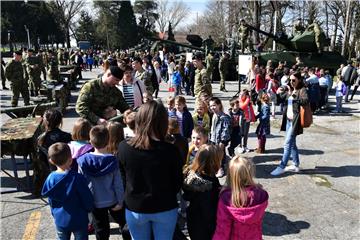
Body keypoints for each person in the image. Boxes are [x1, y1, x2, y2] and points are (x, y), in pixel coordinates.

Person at [117, 101, 183, 240]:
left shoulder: (123, 148)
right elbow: (177, 184)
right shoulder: (171, 151)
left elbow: (123, 180)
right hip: (165, 207)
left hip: (135, 207)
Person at [77, 125, 125, 240]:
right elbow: (118, 183)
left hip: (94, 201)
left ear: (91, 141)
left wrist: (84, 202)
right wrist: (120, 201)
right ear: (108, 140)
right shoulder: (112, 161)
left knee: (100, 229)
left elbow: (81, 184)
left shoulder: (83, 160)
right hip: (113, 199)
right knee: (124, 223)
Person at [42, 143, 94, 240]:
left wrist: (54, 213)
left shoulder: (50, 178)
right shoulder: (77, 178)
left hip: (60, 219)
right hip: (79, 219)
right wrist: (89, 208)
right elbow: (87, 198)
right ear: (70, 160)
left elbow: (51, 200)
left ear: (51, 161)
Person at [213, 156, 269, 240]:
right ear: (250, 173)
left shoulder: (227, 198)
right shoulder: (261, 194)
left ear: (231, 174)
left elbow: (223, 228)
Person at [271, 71, 309, 176]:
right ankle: (296, 165)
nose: (291, 82)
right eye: (290, 80)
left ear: (299, 80)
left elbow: (306, 100)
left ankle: (281, 166)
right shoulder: (290, 90)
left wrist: (294, 96)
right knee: (292, 144)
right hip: (288, 120)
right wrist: (277, 93)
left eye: (294, 80)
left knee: (287, 144)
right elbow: (278, 100)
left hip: (295, 122)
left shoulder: (302, 90)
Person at [183, 144, 222, 240]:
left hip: (192, 221)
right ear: (214, 162)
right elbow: (208, 210)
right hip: (206, 227)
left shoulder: (190, 177)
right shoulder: (210, 184)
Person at [36, 109, 72, 193]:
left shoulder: (40, 139)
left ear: (45, 122)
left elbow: (40, 159)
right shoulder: (67, 136)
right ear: (60, 122)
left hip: (50, 172)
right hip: (66, 170)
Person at [209, 97, 231, 178]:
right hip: (213, 139)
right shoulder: (214, 115)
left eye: (214, 105)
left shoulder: (224, 117)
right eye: (211, 106)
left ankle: (220, 168)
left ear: (219, 105)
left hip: (221, 140)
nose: (212, 108)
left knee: (220, 155)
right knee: (215, 154)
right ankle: (216, 167)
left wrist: (223, 141)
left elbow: (226, 130)